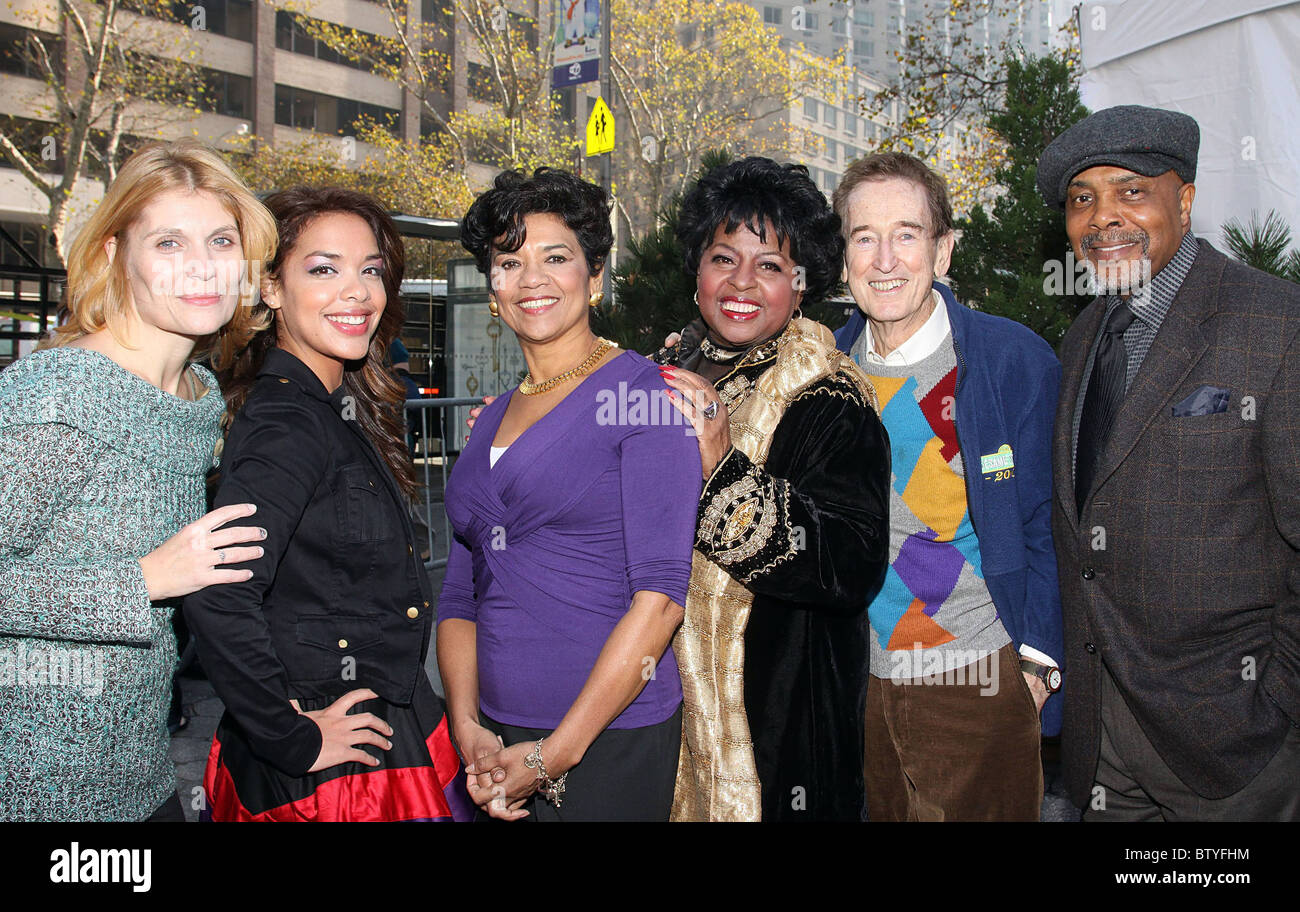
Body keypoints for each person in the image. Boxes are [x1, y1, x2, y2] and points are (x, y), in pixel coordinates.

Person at [1038, 104, 1300, 820]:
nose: (1103, 218)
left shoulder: (1277, 324)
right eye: (1082, 199)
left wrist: (1278, 703)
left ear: (1183, 201)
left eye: (1131, 191)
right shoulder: (1082, 338)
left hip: (1238, 747)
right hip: (1103, 740)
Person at [0, 140, 275, 821]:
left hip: (141, 771)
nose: (203, 267)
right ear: (111, 255)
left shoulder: (196, 396)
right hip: (33, 784)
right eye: (169, 244)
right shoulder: (54, 398)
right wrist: (143, 581)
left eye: (219, 240)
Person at [183, 187, 469, 822]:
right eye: (324, 269)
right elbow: (217, 590)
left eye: (371, 270)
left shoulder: (333, 402)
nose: (360, 292)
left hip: (373, 742)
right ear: (271, 289)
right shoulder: (290, 421)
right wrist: (292, 736)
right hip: (335, 780)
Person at [437, 168, 701, 822]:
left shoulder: (642, 397)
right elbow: (459, 591)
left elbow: (662, 602)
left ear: (596, 275)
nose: (532, 279)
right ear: (492, 286)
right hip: (493, 737)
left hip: (608, 739)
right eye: (509, 261)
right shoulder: (492, 418)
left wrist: (551, 756)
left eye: (556, 257)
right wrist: (466, 728)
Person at [655, 157, 891, 821]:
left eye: (770, 266)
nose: (741, 282)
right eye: (723, 258)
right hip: (661, 714)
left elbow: (850, 565)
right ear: (696, 270)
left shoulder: (831, 399)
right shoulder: (666, 376)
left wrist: (721, 466)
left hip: (781, 735)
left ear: (801, 282)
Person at [832, 151, 1064, 821]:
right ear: (843, 255)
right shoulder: (821, 369)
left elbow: (1048, 519)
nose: (884, 259)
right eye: (863, 236)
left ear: (943, 251)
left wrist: (1038, 666)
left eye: (906, 234)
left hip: (978, 679)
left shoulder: (1010, 360)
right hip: (859, 687)